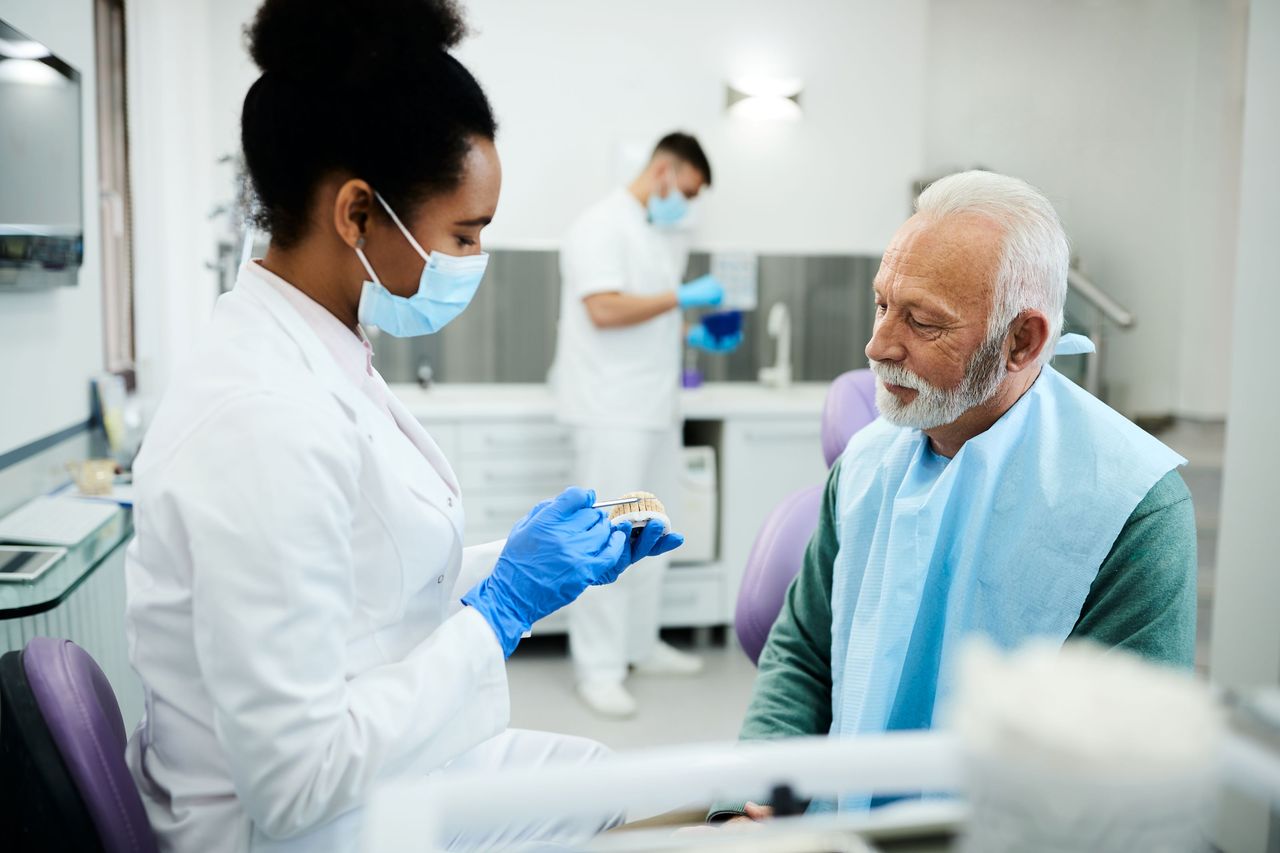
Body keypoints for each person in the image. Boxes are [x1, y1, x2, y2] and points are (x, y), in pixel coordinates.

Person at [123, 2, 681, 850]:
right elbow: (295, 778)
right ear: (356, 215)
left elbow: (363, 587)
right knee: (664, 818)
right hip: (291, 829)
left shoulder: (313, 351)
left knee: (634, 784)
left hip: (359, 781)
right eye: (463, 234)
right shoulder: (262, 419)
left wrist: (526, 565)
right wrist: (500, 608)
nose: (473, 263)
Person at [709, 170, 1197, 823]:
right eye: (882, 304)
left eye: (922, 322)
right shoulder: (866, 464)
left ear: (1022, 341)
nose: (877, 345)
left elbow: (1117, 783)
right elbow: (802, 652)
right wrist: (752, 804)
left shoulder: (1127, 507)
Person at [549, 133, 738, 717]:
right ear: (662, 170)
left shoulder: (652, 233)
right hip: (610, 408)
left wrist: (690, 332)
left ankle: (640, 644)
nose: (686, 205)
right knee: (609, 533)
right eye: (684, 191)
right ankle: (598, 668)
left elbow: (646, 315)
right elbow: (603, 310)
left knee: (651, 527)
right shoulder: (599, 225)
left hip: (653, 406)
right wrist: (680, 297)